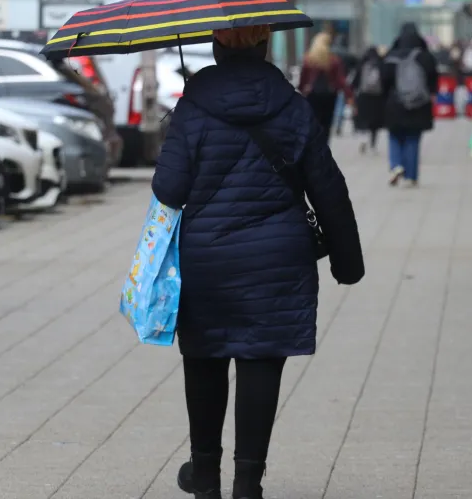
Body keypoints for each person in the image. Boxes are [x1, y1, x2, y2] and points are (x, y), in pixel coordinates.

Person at [151, 25, 365, 499]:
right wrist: (347, 262)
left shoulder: (195, 104)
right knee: (261, 361)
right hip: (279, 259)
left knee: (205, 360)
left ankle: (205, 477)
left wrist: (180, 130)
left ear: (216, 47)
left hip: (207, 261)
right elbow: (327, 186)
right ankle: (248, 485)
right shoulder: (291, 104)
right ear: (266, 46)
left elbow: (169, 190)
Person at [381, 22, 439, 187]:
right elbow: (433, 79)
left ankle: (396, 165)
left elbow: (383, 81)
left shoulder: (391, 56)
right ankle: (412, 176)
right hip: (419, 103)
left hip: (394, 103)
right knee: (413, 138)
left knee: (394, 136)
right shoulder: (425, 56)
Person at [298, 32, 351, 143]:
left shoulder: (308, 59)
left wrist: (301, 91)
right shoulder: (333, 60)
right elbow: (340, 80)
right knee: (326, 124)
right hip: (329, 95)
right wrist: (349, 95)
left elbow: (303, 79)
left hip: (312, 95)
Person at [351, 46, 387, 154]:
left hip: (363, 97)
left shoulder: (361, 64)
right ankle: (373, 145)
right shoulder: (381, 64)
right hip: (378, 98)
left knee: (363, 120)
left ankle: (363, 139)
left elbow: (355, 83)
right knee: (375, 123)